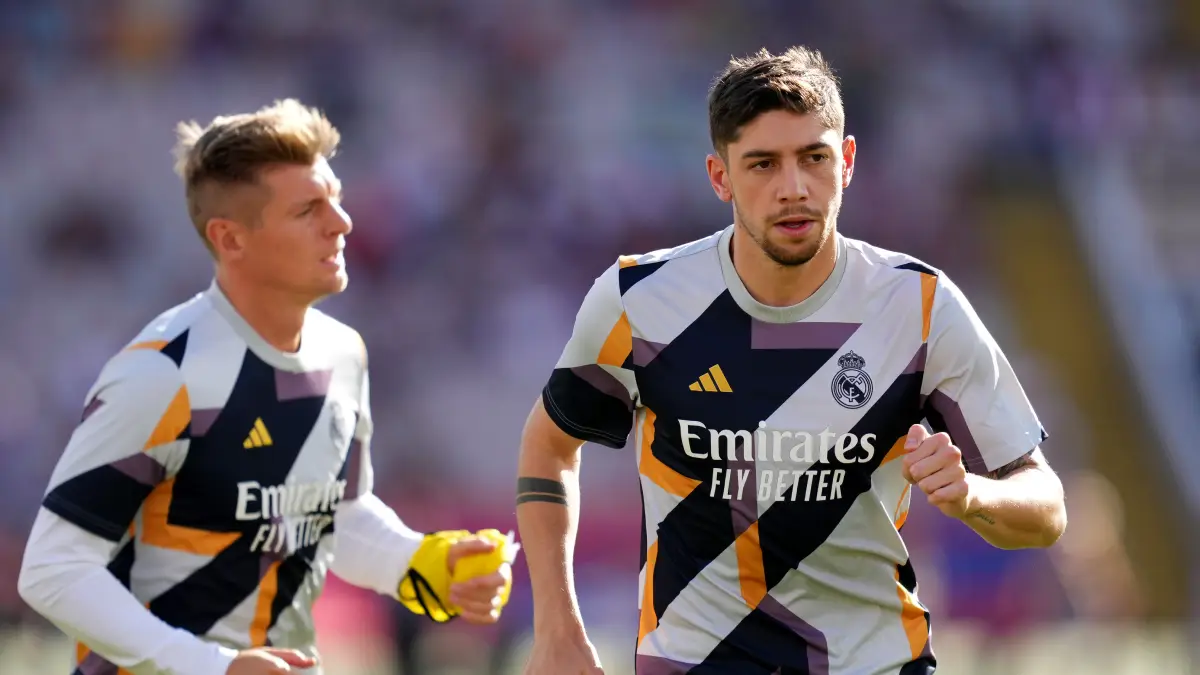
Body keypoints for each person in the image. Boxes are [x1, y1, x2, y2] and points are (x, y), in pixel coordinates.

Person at [515, 46, 1068, 674]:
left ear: (848, 161)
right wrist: (557, 629)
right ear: (719, 176)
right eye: (762, 165)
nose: (794, 188)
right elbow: (549, 448)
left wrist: (973, 496)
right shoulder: (638, 300)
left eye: (814, 158)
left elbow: (1046, 506)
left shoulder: (920, 306)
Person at [18, 99, 516, 675]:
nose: (342, 223)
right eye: (308, 209)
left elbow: (333, 516)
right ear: (230, 239)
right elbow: (53, 569)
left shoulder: (343, 353)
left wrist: (419, 560)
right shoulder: (162, 375)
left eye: (337, 199)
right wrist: (213, 666)